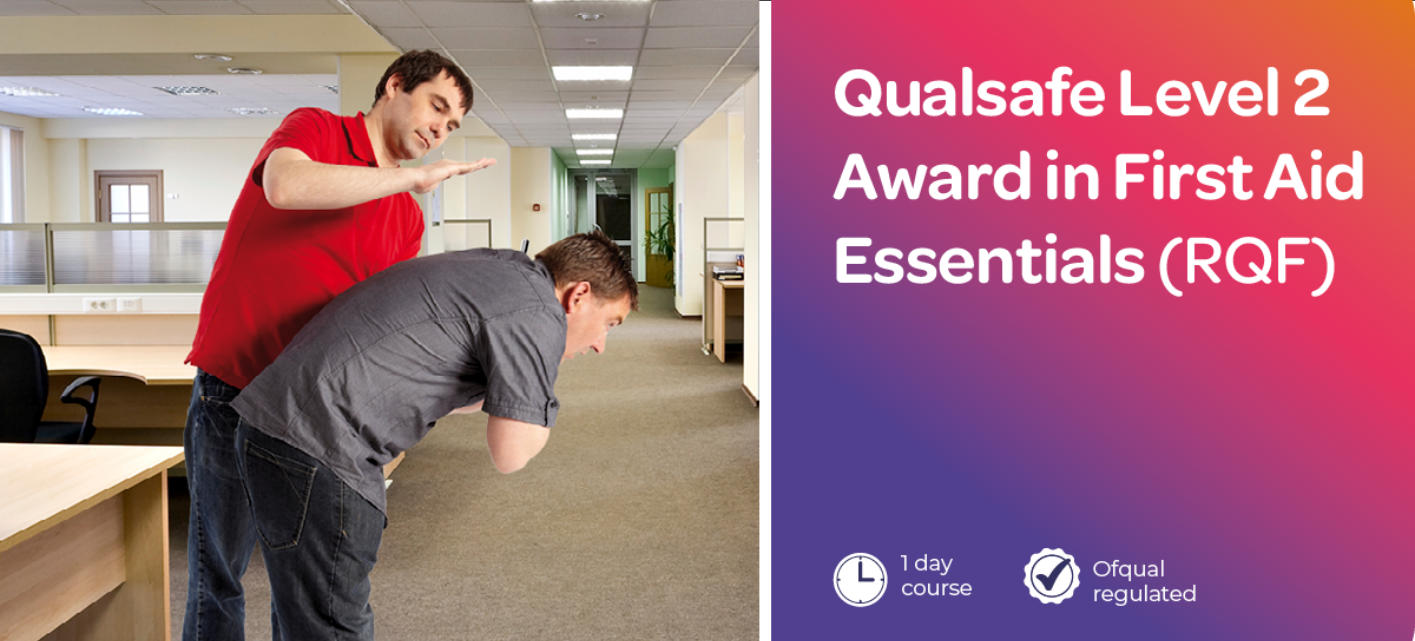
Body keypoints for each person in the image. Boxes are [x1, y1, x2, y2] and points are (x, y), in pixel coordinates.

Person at [182, 49, 494, 641]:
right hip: (235, 383)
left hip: (306, 416)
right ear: (394, 86)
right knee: (216, 570)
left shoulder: (405, 219)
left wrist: (450, 389)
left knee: (295, 579)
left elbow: (376, 328)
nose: (441, 128)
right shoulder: (317, 130)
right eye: (436, 106)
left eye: (453, 124)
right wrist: (413, 177)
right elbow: (284, 185)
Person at [227, 232, 637, 639]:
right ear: (578, 295)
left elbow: (447, 375)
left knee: (305, 616)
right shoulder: (537, 311)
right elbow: (511, 452)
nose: (600, 344)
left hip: (276, 429)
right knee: (332, 627)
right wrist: (540, 390)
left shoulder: (503, 269)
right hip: (320, 448)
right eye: (609, 324)